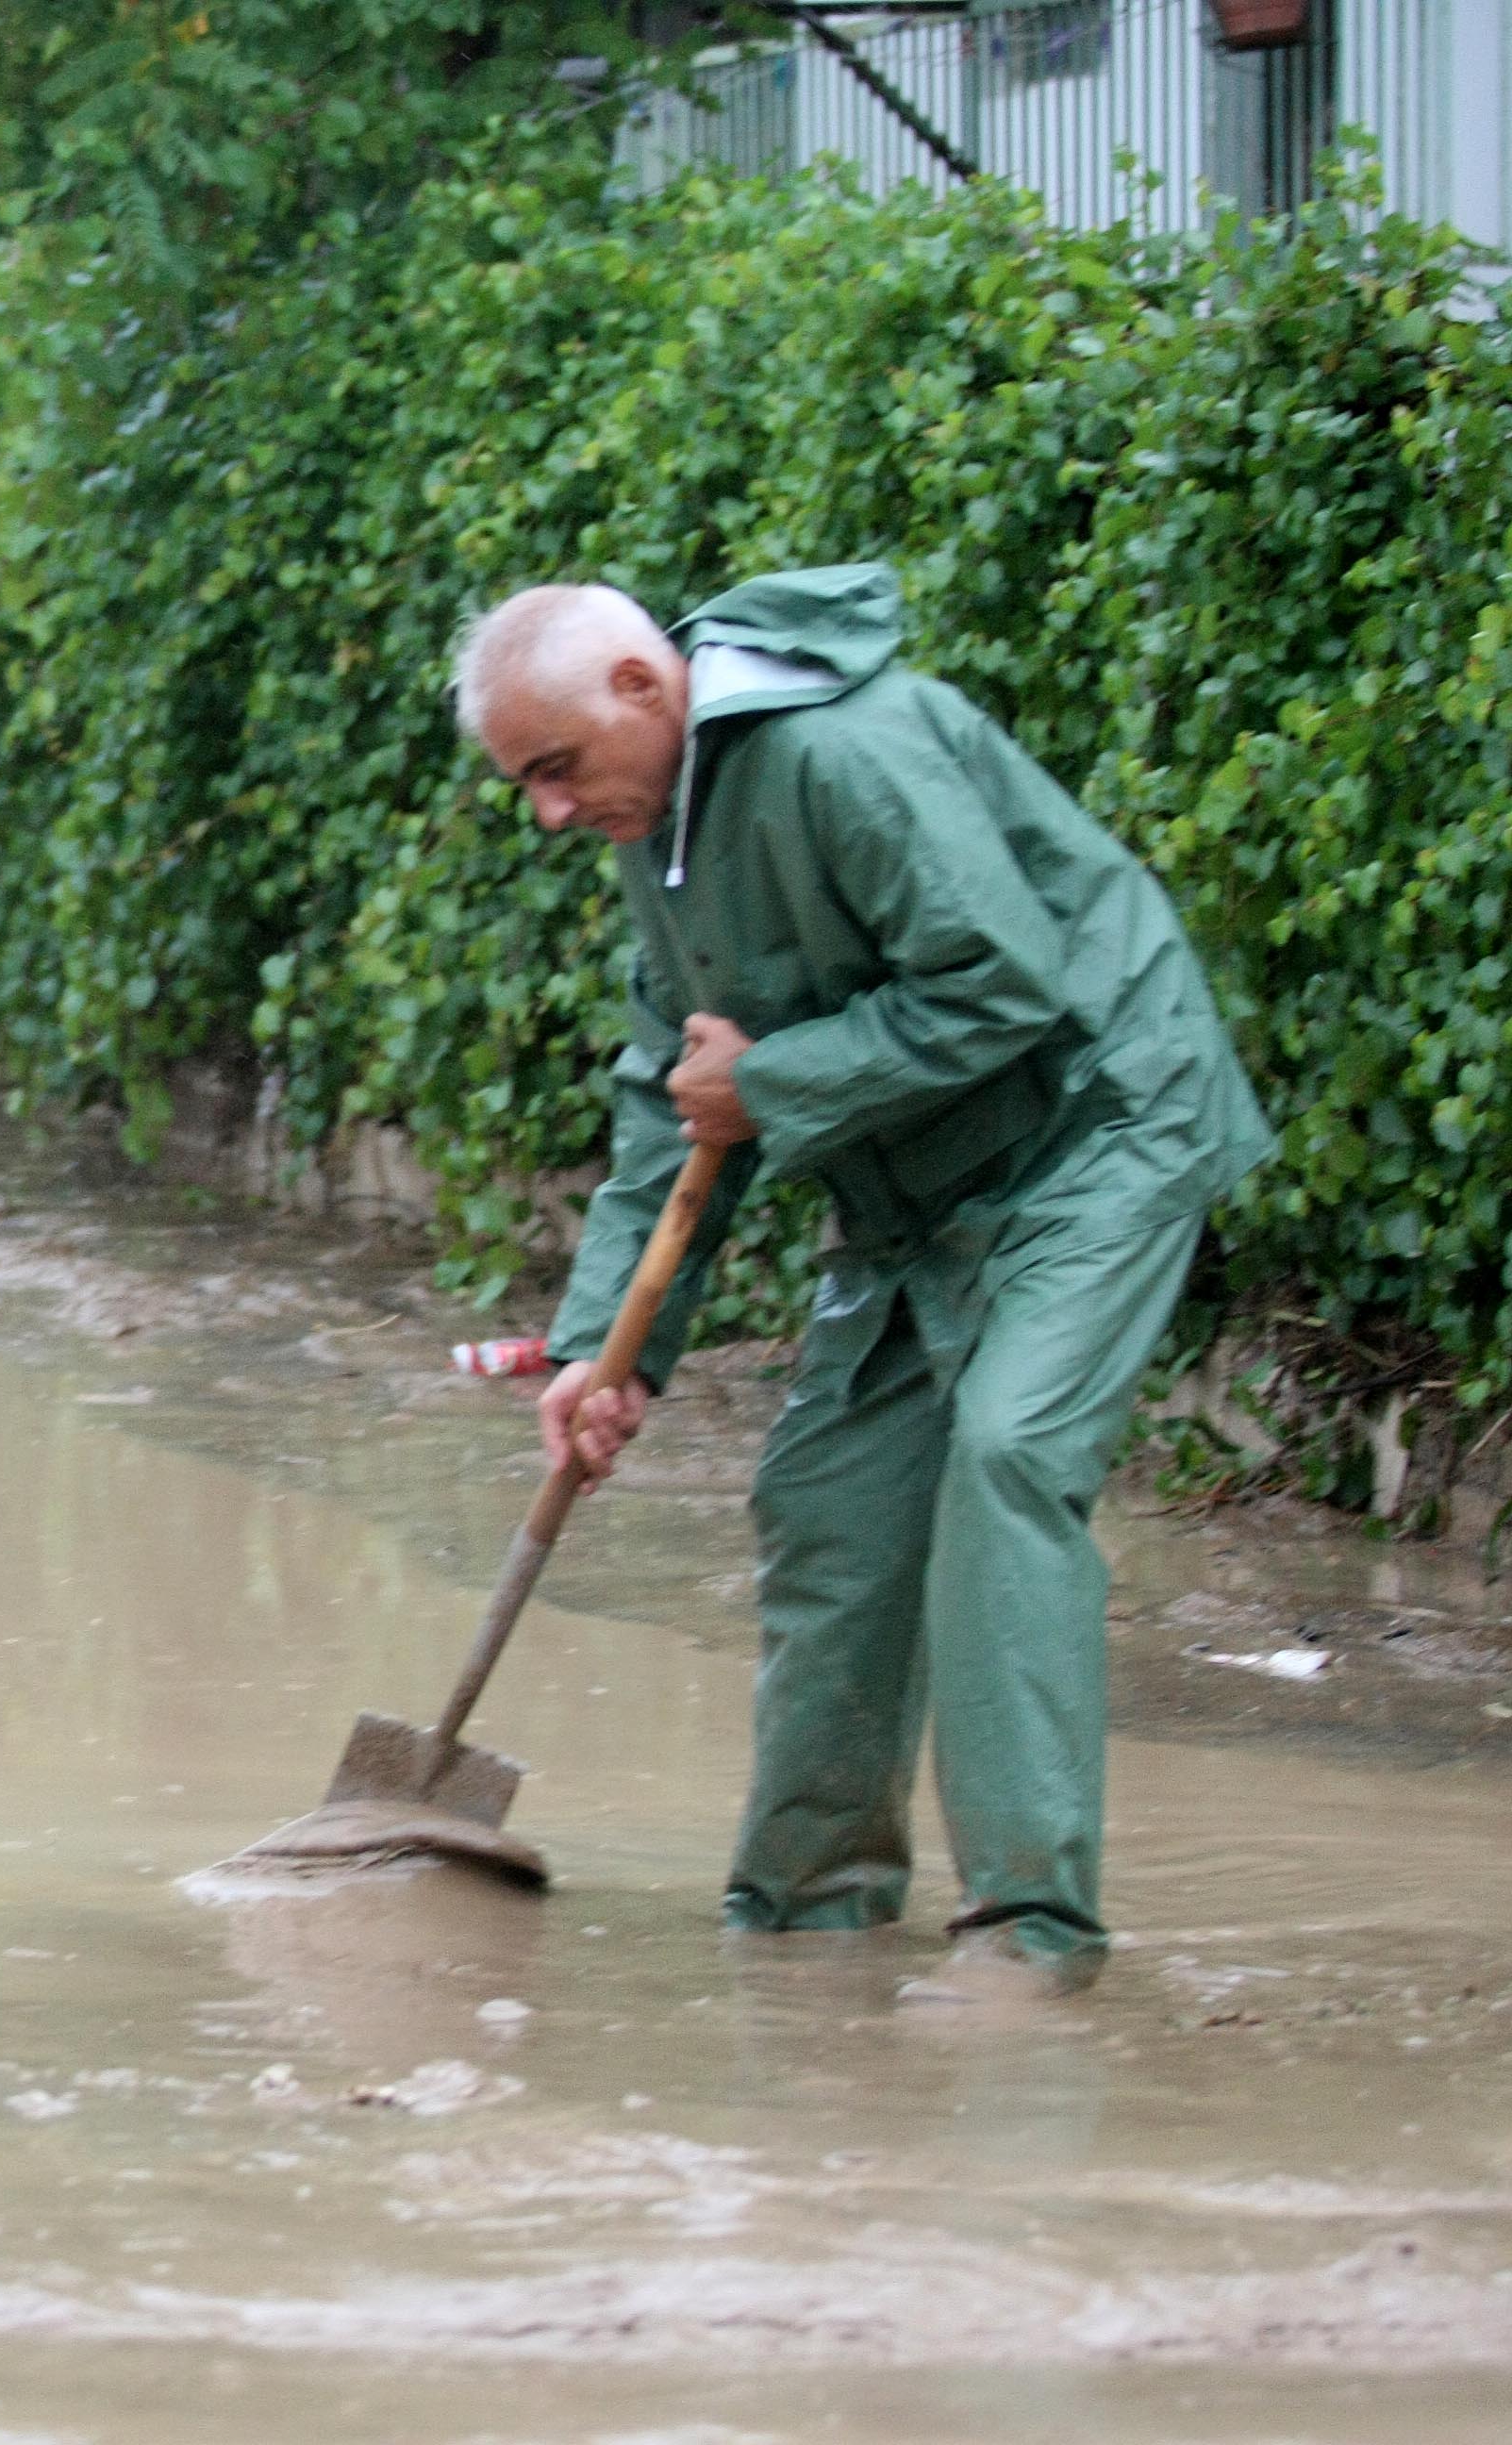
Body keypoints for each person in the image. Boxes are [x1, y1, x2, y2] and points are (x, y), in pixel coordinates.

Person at [456, 564, 1271, 2006]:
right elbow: (671, 1095)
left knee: (1008, 1458)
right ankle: (801, 1927)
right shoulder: (660, 831)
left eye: (558, 768)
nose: (551, 813)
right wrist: (606, 1353)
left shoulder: (843, 749)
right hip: (913, 1191)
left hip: (1098, 1131)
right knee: (828, 1502)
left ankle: (1026, 1943)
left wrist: (771, 1080)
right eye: (528, 784)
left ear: (642, 688)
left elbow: (1002, 980)